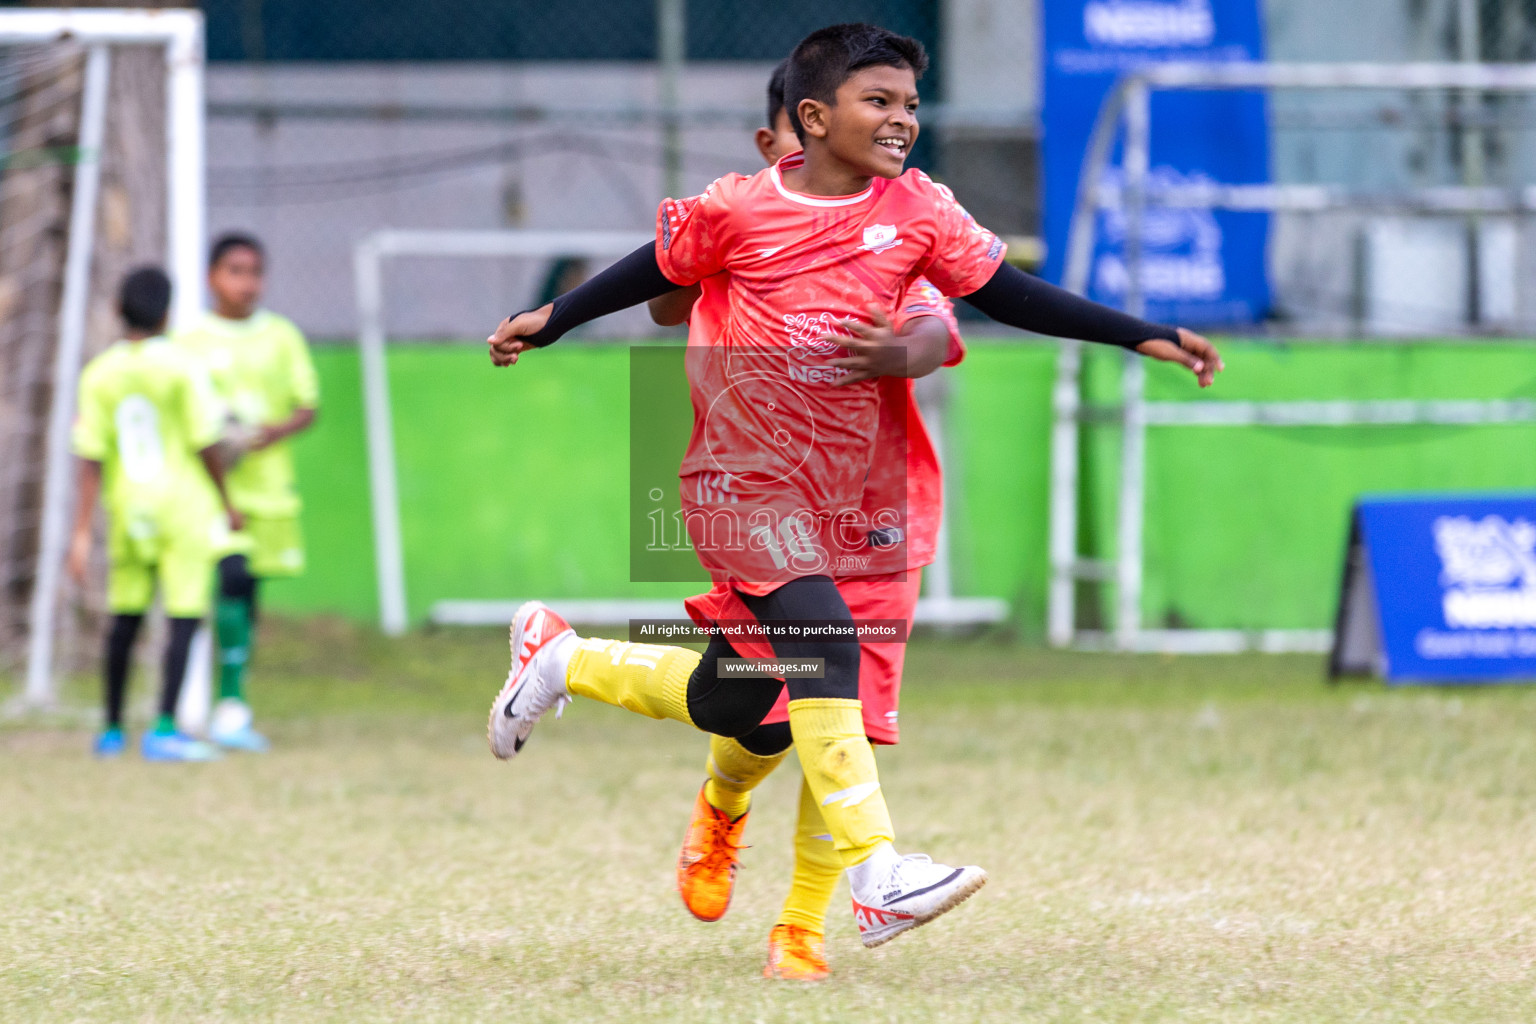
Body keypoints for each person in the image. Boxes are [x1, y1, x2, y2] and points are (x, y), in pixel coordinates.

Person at [484, 22, 1222, 953]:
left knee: (742, 703)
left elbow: (1003, 293)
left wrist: (1136, 333)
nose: (903, 119)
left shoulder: (919, 213)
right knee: (827, 648)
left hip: (853, 503)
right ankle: (874, 880)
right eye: (881, 102)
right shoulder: (739, 208)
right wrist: (550, 318)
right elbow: (660, 271)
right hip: (738, 480)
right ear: (812, 117)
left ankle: (562, 661)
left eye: (912, 104)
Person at [650, 60, 969, 980]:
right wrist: (695, 247)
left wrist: (901, 346)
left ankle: (803, 926)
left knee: (844, 717)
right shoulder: (740, 228)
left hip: (874, 504)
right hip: (754, 493)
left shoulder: (898, 227)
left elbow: (936, 327)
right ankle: (723, 800)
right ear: (785, 139)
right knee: (760, 708)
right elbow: (669, 298)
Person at [69, 267, 243, 762]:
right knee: (183, 614)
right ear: (168, 312)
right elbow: (206, 442)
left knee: (125, 616)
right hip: (182, 507)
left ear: (116, 310)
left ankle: (111, 730)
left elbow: (89, 456)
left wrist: (81, 532)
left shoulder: (99, 373)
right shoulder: (183, 367)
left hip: (128, 507)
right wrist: (228, 503)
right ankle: (164, 726)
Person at [175, 233, 319, 752]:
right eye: (236, 271)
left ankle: (231, 702)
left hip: (268, 490)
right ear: (213, 276)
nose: (247, 282)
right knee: (226, 579)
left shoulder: (281, 336)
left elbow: (308, 405)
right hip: (208, 493)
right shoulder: (188, 340)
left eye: (255, 272)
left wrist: (269, 433)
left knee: (247, 594)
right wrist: (215, 441)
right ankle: (211, 705)